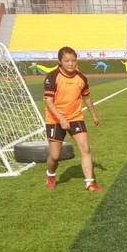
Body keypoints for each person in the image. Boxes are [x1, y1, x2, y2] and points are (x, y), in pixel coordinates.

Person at [44, 46, 102, 192]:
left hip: (75, 117)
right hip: (55, 119)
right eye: (67, 61)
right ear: (60, 61)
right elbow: (49, 101)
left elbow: (86, 97)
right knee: (55, 156)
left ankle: (89, 183)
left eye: (73, 60)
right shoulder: (52, 77)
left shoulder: (81, 78)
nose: (70, 64)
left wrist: (94, 115)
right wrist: (61, 119)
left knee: (85, 149)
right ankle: (50, 175)